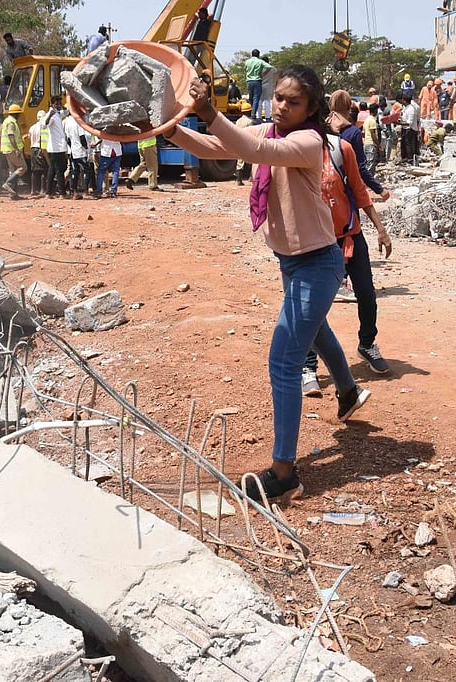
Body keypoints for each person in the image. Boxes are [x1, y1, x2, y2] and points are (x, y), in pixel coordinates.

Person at [164, 64, 370, 502]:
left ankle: (284, 473)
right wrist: (168, 129)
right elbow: (217, 145)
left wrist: (209, 110)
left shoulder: (308, 141)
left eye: (293, 102)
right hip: (294, 263)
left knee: (283, 360)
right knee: (316, 330)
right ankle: (349, 392)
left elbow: (250, 149)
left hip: (318, 263)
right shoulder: (273, 132)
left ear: (312, 108)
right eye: (278, 97)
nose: (281, 106)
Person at [303, 132, 393, 397]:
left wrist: (380, 229)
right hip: (316, 243)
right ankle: (308, 366)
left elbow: (359, 191)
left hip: (350, 234)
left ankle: (367, 344)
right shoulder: (293, 150)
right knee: (314, 305)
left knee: (366, 293)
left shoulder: (340, 149)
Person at [327, 90, 390, 200]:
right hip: (345, 190)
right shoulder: (353, 132)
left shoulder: (323, 129)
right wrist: (380, 189)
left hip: (325, 190)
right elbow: (360, 168)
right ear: (348, 107)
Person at [0, 104, 27, 199]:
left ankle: (13, 194)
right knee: (23, 167)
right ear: (16, 114)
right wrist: (16, 149)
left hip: (7, 149)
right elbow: (11, 136)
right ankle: (8, 183)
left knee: (13, 170)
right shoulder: (11, 122)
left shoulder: (6, 121)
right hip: (12, 149)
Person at [44, 96, 67, 198]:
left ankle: (48, 192)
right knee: (59, 170)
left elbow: (67, 112)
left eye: (59, 104)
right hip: (56, 148)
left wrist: (62, 107)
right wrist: (49, 115)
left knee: (52, 170)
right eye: (57, 104)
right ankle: (62, 193)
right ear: (52, 104)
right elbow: (45, 125)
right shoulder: (52, 114)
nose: (59, 106)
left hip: (57, 147)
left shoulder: (57, 113)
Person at [63, 110, 90, 199]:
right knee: (87, 170)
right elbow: (82, 137)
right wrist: (86, 148)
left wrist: (72, 147)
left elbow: (68, 139)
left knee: (75, 171)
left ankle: (74, 192)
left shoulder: (67, 122)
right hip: (80, 150)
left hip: (73, 151)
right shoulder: (78, 121)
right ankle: (86, 192)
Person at [244, 49, 272, 122]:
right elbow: (269, 67)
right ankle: (253, 114)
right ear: (258, 55)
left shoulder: (247, 61)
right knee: (256, 98)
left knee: (251, 98)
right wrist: (264, 73)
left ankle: (252, 112)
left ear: (251, 54)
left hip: (249, 81)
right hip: (257, 81)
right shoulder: (260, 61)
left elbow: (246, 69)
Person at [233, 101, 255, 185]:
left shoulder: (238, 121)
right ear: (249, 111)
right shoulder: (249, 122)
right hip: (246, 142)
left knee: (240, 161)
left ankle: (238, 180)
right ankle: (251, 178)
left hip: (238, 142)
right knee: (253, 160)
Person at [28, 110, 48, 196]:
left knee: (34, 171)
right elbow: (42, 138)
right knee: (43, 170)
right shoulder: (43, 127)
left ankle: (33, 190)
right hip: (40, 149)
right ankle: (42, 190)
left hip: (33, 148)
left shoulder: (32, 127)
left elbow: (29, 137)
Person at [399, 95, 420, 161]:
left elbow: (409, 122)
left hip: (410, 129)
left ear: (404, 100)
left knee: (409, 145)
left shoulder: (411, 109)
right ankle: (404, 158)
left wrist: (398, 123)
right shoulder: (405, 108)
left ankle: (410, 159)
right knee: (403, 144)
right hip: (404, 128)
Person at [362, 103, 380, 176]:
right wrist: (378, 145)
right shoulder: (372, 120)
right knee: (370, 164)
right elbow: (373, 134)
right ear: (375, 111)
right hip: (371, 144)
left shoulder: (366, 120)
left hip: (366, 143)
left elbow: (363, 133)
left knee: (368, 162)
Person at [260, 55, 274, 121]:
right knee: (267, 101)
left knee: (259, 101)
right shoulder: (272, 68)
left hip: (260, 85)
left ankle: (258, 117)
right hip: (269, 86)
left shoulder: (259, 69)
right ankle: (268, 117)